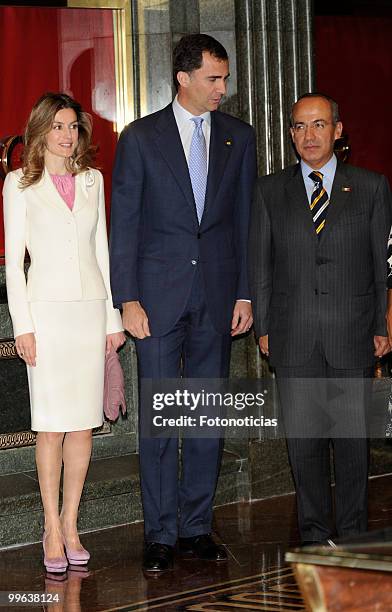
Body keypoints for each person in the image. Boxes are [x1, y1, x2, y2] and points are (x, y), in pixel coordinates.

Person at [110, 33, 257, 572]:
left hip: (217, 299)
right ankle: (160, 534)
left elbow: (244, 221)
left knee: (204, 421)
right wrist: (126, 297)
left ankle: (197, 528)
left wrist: (244, 290)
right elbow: (124, 223)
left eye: (225, 78)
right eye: (214, 78)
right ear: (184, 78)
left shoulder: (238, 138)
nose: (223, 88)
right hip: (155, 301)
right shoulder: (141, 137)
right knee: (159, 421)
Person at [249, 93, 392, 545]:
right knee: (304, 445)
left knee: (352, 445)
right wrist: (265, 327)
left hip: (353, 337)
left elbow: (381, 266)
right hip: (293, 338)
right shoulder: (270, 191)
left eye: (317, 125)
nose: (308, 136)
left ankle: (351, 534)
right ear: (290, 134)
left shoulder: (370, 187)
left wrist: (383, 325)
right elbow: (261, 267)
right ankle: (313, 534)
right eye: (298, 126)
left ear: (338, 129)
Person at [3, 92, 124, 572]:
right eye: (57, 126)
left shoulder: (92, 180)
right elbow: (14, 265)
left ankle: (73, 524)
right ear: (40, 131)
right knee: (50, 426)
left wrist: (112, 320)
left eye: (73, 126)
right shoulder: (19, 183)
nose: (66, 135)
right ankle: (50, 525)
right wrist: (24, 327)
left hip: (90, 312)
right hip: (47, 316)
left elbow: (104, 255)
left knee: (82, 425)